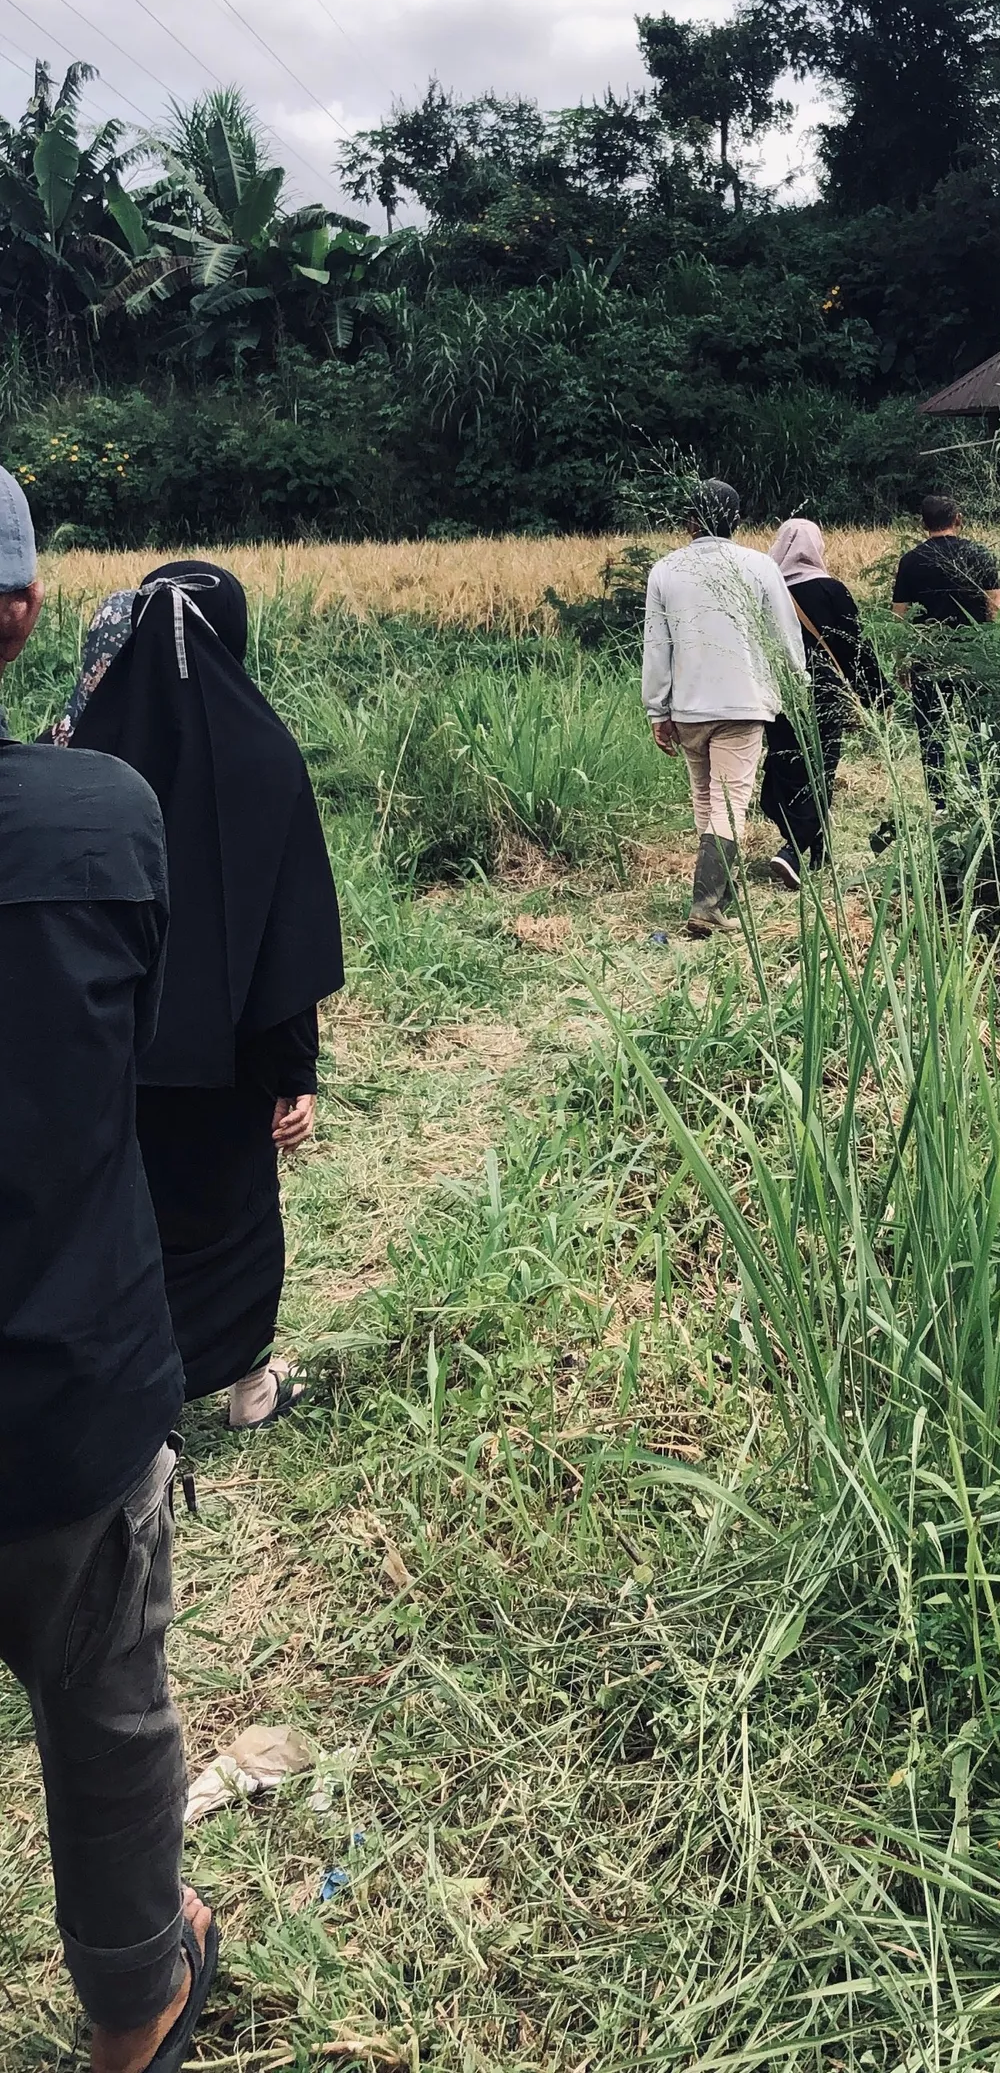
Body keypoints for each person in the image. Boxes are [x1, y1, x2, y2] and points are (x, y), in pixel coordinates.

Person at [0, 466, 220, 2073]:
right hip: (62, 1381)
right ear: (20, 616)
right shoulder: (105, 818)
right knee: (107, 1710)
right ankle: (138, 1995)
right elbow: (125, 1058)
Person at [56, 562, 344, 1431]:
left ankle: (135, 1412)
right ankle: (250, 1391)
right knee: (236, 1219)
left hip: (101, 1058)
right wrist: (292, 1071)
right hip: (223, 1070)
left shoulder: (75, 756)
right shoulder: (263, 755)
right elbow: (280, 935)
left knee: (118, 1228)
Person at [642, 480, 806, 934]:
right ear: (735, 520)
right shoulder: (758, 565)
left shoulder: (665, 570)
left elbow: (657, 645)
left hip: (688, 706)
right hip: (743, 701)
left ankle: (716, 889)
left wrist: (657, 709)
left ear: (689, 521)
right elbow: (784, 632)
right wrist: (798, 678)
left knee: (705, 796)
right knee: (729, 800)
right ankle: (707, 903)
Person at [759, 517, 879, 890]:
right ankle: (796, 850)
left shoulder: (764, 590)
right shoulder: (831, 590)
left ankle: (809, 848)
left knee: (786, 767)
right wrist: (877, 693)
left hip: (779, 694)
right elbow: (853, 647)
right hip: (824, 692)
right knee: (821, 770)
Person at [891, 494, 1000, 806]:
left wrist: (901, 661)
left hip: (928, 655)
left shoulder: (910, 561)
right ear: (958, 519)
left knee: (931, 726)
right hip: (976, 652)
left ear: (923, 524)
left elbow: (900, 617)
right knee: (979, 723)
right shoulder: (979, 554)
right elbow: (997, 606)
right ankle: (978, 791)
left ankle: (940, 800)